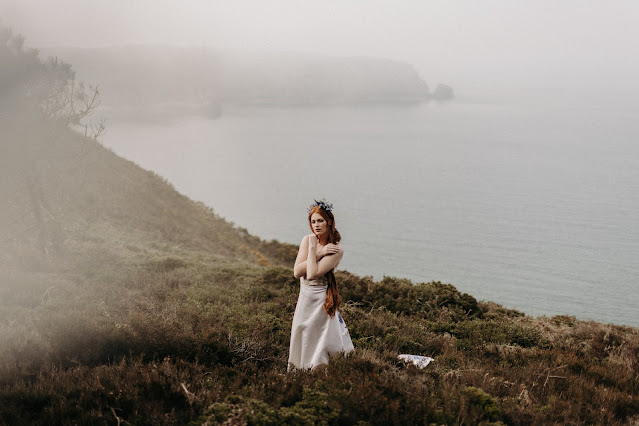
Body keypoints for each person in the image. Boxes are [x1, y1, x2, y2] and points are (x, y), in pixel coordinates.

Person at [288, 199, 354, 371]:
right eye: (313, 221)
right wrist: (318, 252)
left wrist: (314, 251)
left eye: (320, 221)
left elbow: (311, 273)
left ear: (329, 222)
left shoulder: (336, 249)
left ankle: (320, 374)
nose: (316, 225)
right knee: (303, 334)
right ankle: (301, 372)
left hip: (321, 300)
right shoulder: (308, 240)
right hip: (305, 298)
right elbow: (297, 272)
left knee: (321, 339)